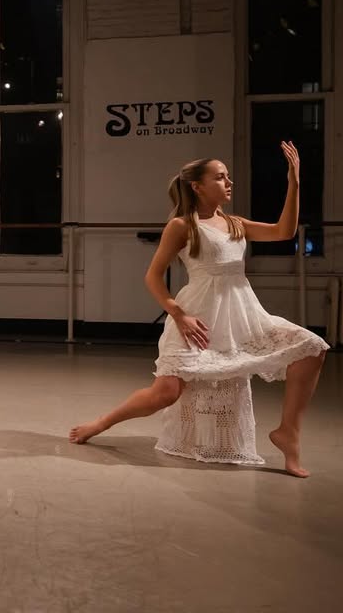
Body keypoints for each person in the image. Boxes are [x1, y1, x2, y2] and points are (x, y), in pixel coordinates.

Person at [69, 143, 328, 477]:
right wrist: (178, 314)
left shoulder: (235, 223)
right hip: (197, 315)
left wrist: (294, 183)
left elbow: (284, 231)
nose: (229, 182)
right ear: (197, 186)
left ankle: (288, 433)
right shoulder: (182, 226)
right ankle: (100, 423)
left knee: (312, 349)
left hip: (242, 314)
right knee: (165, 393)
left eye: (227, 176)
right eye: (220, 177)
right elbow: (152, 276)